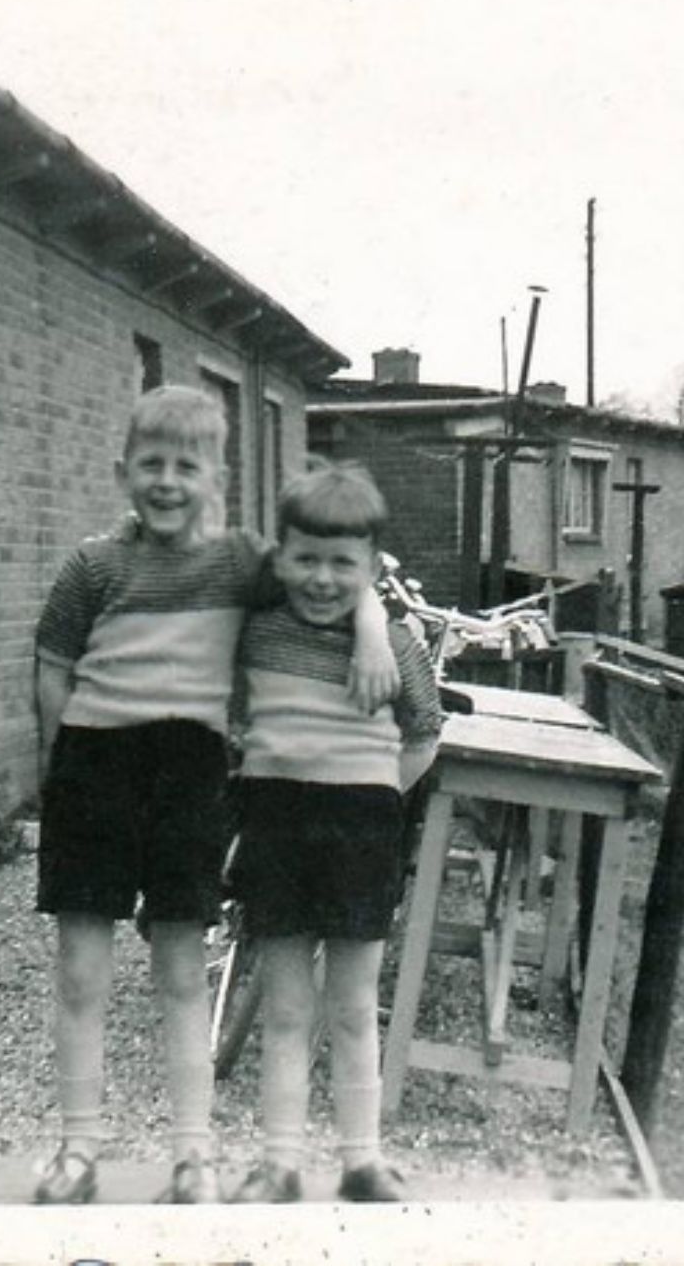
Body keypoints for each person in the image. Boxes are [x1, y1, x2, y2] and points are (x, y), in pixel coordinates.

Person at [30, 386, 397, 1205]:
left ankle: (192, 1158)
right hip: (94, 766)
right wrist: (56, 766)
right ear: (123, 473)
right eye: (151, 465)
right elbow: (52, 664)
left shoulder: (240, 562)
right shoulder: (93, 566)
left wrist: (372, 624)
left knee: (182, 973)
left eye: (185, 466)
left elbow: (332, 566)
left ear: (216, 477)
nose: (167, 482)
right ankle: (78, 1152)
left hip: (189, 772)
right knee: (82, 975)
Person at [226, 462, 443, 1203]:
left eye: (341, 563)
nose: (321, 578)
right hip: (276, 832)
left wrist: (375, 797)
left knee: (353, 1007)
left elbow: (425, 734)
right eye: (305, 559)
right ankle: (278, 1165)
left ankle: (361, 1161)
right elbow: (231, 717)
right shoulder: (254, 635)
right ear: (280, 557)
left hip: (361, 834)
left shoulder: (396, 652)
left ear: (371, 567)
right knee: (285, 1009)